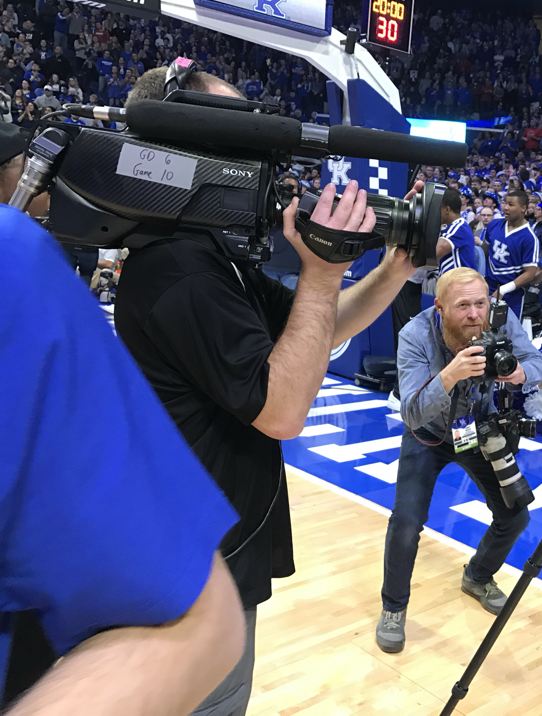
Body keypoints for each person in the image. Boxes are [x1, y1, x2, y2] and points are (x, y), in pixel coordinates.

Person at [118, 67, 422, 716]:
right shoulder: (177, 268)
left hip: (213, 551)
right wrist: (322, 270)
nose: (256, 144)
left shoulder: (207, 252)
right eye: (236, 128)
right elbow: (282, 410)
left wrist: (397, 270)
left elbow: (319, 329)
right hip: (193, 572)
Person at [1, 204, 246, 715]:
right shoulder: (177, 277)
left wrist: (334, 273)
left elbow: (195, 622)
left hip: (194, 506)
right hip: (183, 495)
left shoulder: (15, 265)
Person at [379, 268, 542, 652]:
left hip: (478, 429)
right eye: (463, 306)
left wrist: (521, 374)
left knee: (516, 514)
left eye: (480, 303)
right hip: (427, 435)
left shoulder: (500, 319)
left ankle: (478, 575)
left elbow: (537, 361)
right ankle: (393, 607)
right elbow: (411, 413)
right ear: (439, 308)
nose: (474, 314)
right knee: (406, 522)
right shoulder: (415, 335)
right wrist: (448, 377)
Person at [484, 189, 540, 320]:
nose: (505, 208)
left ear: (523, 208)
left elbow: (530, 273)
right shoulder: (494, 224)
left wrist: (504, 289)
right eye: (505, 204)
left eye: (511, 205)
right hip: (487, 287)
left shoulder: (529, 238)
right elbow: (483, 252)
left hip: (511, 295)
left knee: (507, 337)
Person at [436, 187, 477, 276]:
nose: (435, 213)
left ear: (447, 209)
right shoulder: (454, 226)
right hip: (455, 283)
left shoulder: (458, 227)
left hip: (462, 285)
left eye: (438, 209)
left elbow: (435, 253)